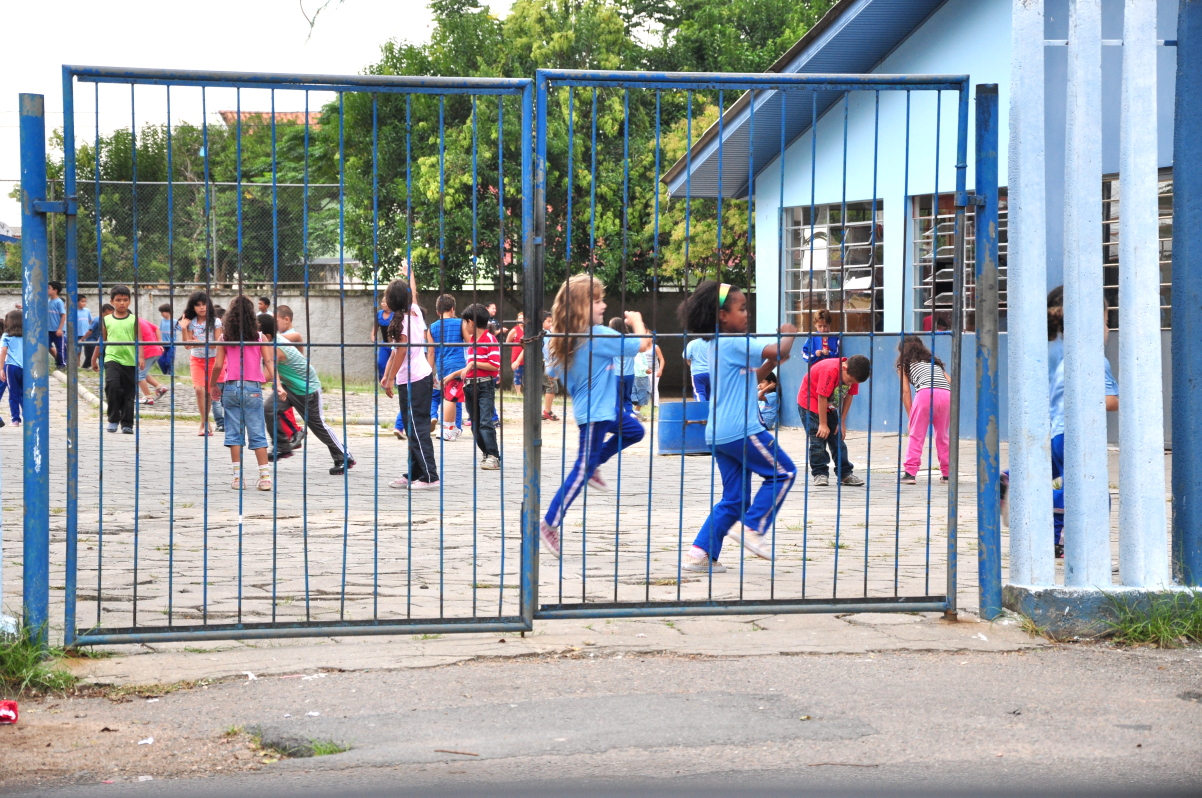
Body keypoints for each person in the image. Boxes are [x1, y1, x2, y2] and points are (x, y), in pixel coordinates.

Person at [678, 281, 797, 572]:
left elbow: (754, 374)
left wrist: (776, 357)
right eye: (741, 308)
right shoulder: (736, 342)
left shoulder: (715, 345)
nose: (746, 314)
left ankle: (700, 553)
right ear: (721, 315)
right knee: (784, 472)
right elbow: (778, 348)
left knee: (735, 498)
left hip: (718, 434)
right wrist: (789, 333)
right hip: (742, 431)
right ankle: (753, 527)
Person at [538, 274, 651, 558]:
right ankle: (550, 522)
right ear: (579, 307)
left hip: (603, 410)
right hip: (596, 414)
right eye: (597, 301)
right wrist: (636, 322)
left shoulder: (558, 338)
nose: (604, 305)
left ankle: (594, 465)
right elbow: (643, 344)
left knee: (636, 431)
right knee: (580, 469)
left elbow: (551, 371)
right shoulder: (597, 335)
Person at [1045, 287, 1118, 557]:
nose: (1108, 330)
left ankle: (1057, 539)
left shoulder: (1058, 355)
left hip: (1056, 434)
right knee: (1095, 493)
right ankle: (1088, 550)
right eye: (1106, 323)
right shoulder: (1095, 360)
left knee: (1067, 485)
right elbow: (1110, 401)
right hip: (1079, 437)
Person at [258, 314, 353, 475]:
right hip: (289, 386)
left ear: (266, 336)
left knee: (318, 426)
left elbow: (267, 376)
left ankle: (344, 456)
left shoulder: (276, 349)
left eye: (256, 332)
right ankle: (281, 445)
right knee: (269, 408)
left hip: (306, 389)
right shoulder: (274, 339)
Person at [381, 265, 439, 490]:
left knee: (417, 428)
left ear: (393, 301)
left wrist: (391, 377)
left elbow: (402, 350)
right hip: (415, 378)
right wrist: (410, 272)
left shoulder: (405, 319)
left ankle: (430, 477)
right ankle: (414, 473)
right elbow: (413, 292)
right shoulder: (413, 311)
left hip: (415, 379)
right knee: (412, 427)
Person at [210, 296, 275, 491]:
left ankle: (238, 479)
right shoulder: (260, 337)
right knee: (257, 432)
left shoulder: (224, 338)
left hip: (230, 387)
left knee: (234, 434)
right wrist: (276, 384)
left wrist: (213, 385)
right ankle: (264, 478)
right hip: (252, 388)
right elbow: (269, 363)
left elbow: (219, 365)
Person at [440, 303, 502, 470]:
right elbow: (470, 366)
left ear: (471, 323)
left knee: (485, 421)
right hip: (469, 386)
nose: (464, 326)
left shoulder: (490, 339)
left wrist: (474, 364)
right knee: (474, 423)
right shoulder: (473, 341)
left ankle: (493, 456)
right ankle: (485, 452)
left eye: (464, 322)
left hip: (485, 386)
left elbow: (495, 365)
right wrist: (453, 375)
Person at [797, 353, 871, 487]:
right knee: (817, 439)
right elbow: (821, 397)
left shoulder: (853, 374)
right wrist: (823, 424)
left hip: (830, 407)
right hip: (811, 404)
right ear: (844, 367)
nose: (849, 384)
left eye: (853, 383)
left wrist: (841, 422)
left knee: (838, 439)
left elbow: (849, 396)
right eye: (849, 381)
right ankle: (820, 473)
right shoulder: (830, 370)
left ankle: (845, 474)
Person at [897, 335, 952, 485]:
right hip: (947, 394)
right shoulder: (933, 362)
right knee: (943, 436)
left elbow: (906, 392)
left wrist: (910, 417)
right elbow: (950, 381)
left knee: (916, 435)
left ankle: (910, 474)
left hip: (925, 394)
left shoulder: (904, 364)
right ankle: (947, 474)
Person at [96, 284, 142, 434]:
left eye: (125, 300)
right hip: (111, 358)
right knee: (112, 386)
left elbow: (139, 340)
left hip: (130, 361)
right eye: (118, 300)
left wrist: (140, 357)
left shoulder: (134, 320)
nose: (122, 303)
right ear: (112, 301)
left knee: (129, 394)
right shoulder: (106, 320)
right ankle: (113, 419)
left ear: (129, 301)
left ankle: (127, 423)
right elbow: (102, 340)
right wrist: (94, 358)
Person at [179, 291, 224, 436]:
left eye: (204, 304)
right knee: (199, 389)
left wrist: (199, 342)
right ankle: (204, 422)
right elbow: (187, 345)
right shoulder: (191, 323)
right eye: (198, 305)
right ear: (193, 307)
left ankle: (205, 423)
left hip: (212, 360)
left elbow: (216, 344)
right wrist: (184, 328)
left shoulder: (216, 321)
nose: (201, 307)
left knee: (209, 391)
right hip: (196, 361)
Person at [428, 294, 466, 441]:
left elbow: (430, 353)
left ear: (438, 311)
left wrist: (429, 374)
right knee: (451, 398)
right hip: (458, 366)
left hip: (442, 367)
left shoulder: (432, 328)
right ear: (452, 309)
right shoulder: (460, 323)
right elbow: (470, 342)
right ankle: (446, 429)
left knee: (451, 396)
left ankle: (452, 427)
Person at [372, 294, 406, 440]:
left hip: (394, 343)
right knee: (381, 363)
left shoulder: (396, 315)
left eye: (385, 301)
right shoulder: (379, 314)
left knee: (393, 360)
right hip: (384, 344)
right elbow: (374, 329)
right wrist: (373, 337)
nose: (383, 304)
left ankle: (393, 381)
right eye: (382, 302)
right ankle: (385, 382)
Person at [608, 317, 637, 417]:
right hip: (630, 374)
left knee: (617, 397)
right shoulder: (632, 338)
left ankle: (619, 415)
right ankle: (630, 412)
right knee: (627, 396)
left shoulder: (611, 341)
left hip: (617, 374)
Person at [136, 314, 167, 405]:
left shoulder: (132, 322)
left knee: (139, 375)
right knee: (142, 372)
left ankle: (148, 397)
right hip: (155, 349)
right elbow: (157, 328)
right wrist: (159, 343)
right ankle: (159, 387)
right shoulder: (141, 319)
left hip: (147, 350)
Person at [0, 309, 23, 427]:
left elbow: (3, 351)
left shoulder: (6, 335)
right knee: (25, 393)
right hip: (26, 367)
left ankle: (15, 419)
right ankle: (28, 416)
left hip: (11, 367)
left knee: (13, 394)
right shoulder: (28, 334)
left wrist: (1, 369)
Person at [539, 311, 560, 421]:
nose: (551, 324)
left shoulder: (549, 334)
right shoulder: (543, 334)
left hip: (550, 365)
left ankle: (547, 411)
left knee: (551, 387)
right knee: (551, 386)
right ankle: (547, 411)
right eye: (548, 322)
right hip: (545, 365)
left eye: (552, 322)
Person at [81, 302, 108, 370]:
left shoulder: (105, 320)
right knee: (92, 357)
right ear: (105, 312)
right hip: (91, 342)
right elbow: (90, 330)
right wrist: (82, 339)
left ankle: (101, 368)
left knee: (99, 356)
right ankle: (85, 368)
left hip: (97, 342)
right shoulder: (97, 320)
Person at [683, 335, 710, 401]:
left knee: (699, 393)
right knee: (711, 394)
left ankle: (701, 410)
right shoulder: (713, 342)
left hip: (698, 372)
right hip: (712, 372)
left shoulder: (692, 343)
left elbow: (686, 355)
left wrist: (689, 363)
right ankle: (711, 410)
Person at [505, 312, 525, 395]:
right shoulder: (514, 330)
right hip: (516, 354)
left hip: (526, 354)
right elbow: (507, 342)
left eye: (522, 318)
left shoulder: (528, 329)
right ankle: (518, 392)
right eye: (519, 318)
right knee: (517, 373)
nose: (521, 320)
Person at [74, 296, 94, 369]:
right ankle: (77, 365)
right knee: (77, 351)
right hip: (77, 334)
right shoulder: (74, 311)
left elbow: (90, 321)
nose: (84, 303)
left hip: (86, 334)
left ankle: (87, 365)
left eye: (85, 301)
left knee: (87, 351)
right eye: (82, 301)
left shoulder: (87, 311)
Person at [156, 303, 176, 377]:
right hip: (163, 344)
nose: (161, 314)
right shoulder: (162, 321)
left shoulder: (175, 322)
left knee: (169, 360)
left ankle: (170, 374)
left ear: (168, 312)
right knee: (160, 360)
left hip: (171, 344)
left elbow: (182, 328)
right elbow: (159, 330)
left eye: (163, 312)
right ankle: (165, 373)